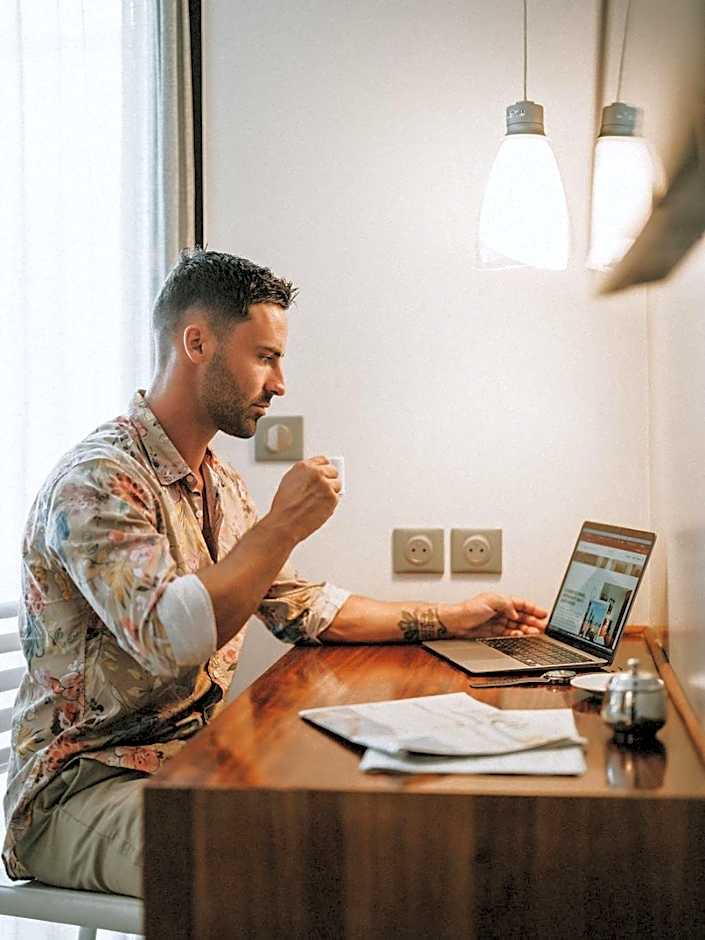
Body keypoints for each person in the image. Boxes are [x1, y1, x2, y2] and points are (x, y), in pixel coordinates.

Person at [3, 249, 547, 898]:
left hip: (191, 763)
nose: (281, 382)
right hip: (79, 792)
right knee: (277, 864)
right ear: (197, 342)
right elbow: (172, 638)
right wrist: (283, 524)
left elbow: (301, 606)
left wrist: (449, 617)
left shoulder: (222, 485)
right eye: (264, 356)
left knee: (365, 815)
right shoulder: (97, 481)